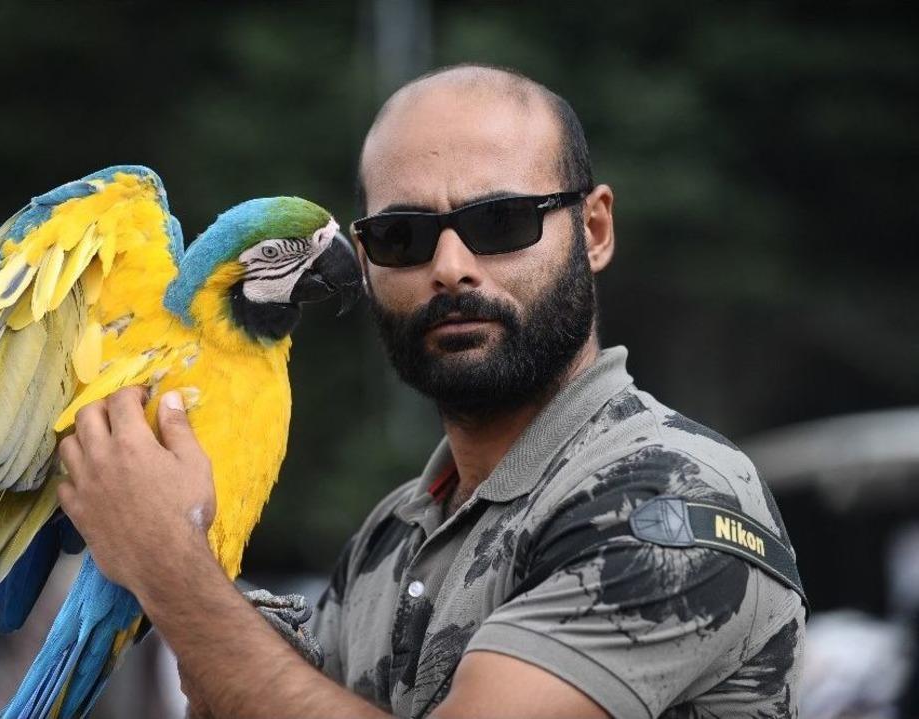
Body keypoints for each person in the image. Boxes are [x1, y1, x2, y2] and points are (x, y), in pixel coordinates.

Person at [56, 64, 806, 718]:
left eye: (501, 221)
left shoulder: (672, 498)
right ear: (364, 263)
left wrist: (167, 560)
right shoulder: (389, 537)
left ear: (596, 230)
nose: (449, 267)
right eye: (403, 237)